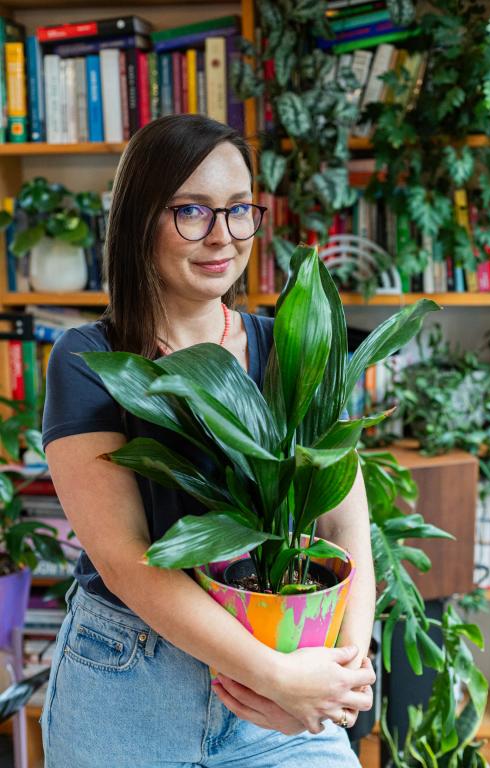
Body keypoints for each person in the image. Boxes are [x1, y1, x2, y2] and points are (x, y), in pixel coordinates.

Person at [41, 114, 376, 768]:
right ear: (142, 219)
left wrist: (340, 672)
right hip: (131, 681)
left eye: (238, 210)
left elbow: (347, 527)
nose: (222, 236)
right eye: (192, 211)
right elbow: (126, 561)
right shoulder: (90, 359)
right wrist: (274, 678)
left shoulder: (290, 345)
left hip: (288, 674)